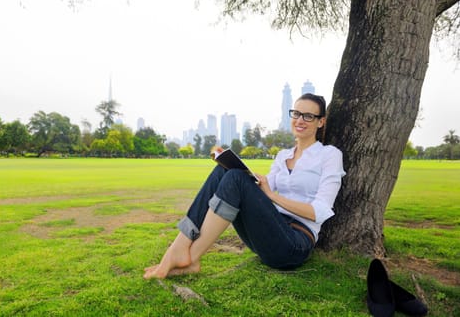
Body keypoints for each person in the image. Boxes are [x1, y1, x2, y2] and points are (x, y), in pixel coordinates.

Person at [143, 93, 345, 279]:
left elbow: (320, 211)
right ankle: (180, 247)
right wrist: (240, 168)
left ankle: (189, 257)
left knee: (236, 178)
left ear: (321, 122)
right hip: (266, 231)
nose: (300, 120)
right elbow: (259, 190)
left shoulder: (329, 155)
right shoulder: (283, 156)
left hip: (294, 244)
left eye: (308, 116)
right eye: (297, 113)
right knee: (225, 170)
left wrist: (273, 197)